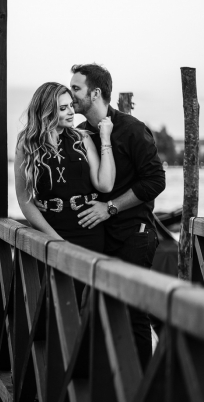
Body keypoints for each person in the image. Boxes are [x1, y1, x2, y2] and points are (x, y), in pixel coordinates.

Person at [69, 63, 166, 370]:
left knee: (134, 312)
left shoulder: (133, 130)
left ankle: (137, 398)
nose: (70, 95)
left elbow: (155, 181)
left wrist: (109, 208)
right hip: (95, 237)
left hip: (133, 233)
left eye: (76, 88)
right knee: (91, 311)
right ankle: (101, 389)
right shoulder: (79, 133)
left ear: (95, 93)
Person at [14, 82, 115, 254]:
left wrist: (105, 138)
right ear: (48, 111)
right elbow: (25, 200)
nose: (71, 112)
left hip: (89, 229)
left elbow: (104, 184)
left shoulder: (81, 138)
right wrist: (56, 241)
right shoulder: (28, 145)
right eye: (63, 108)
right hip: (50, 232)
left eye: (70, 106)